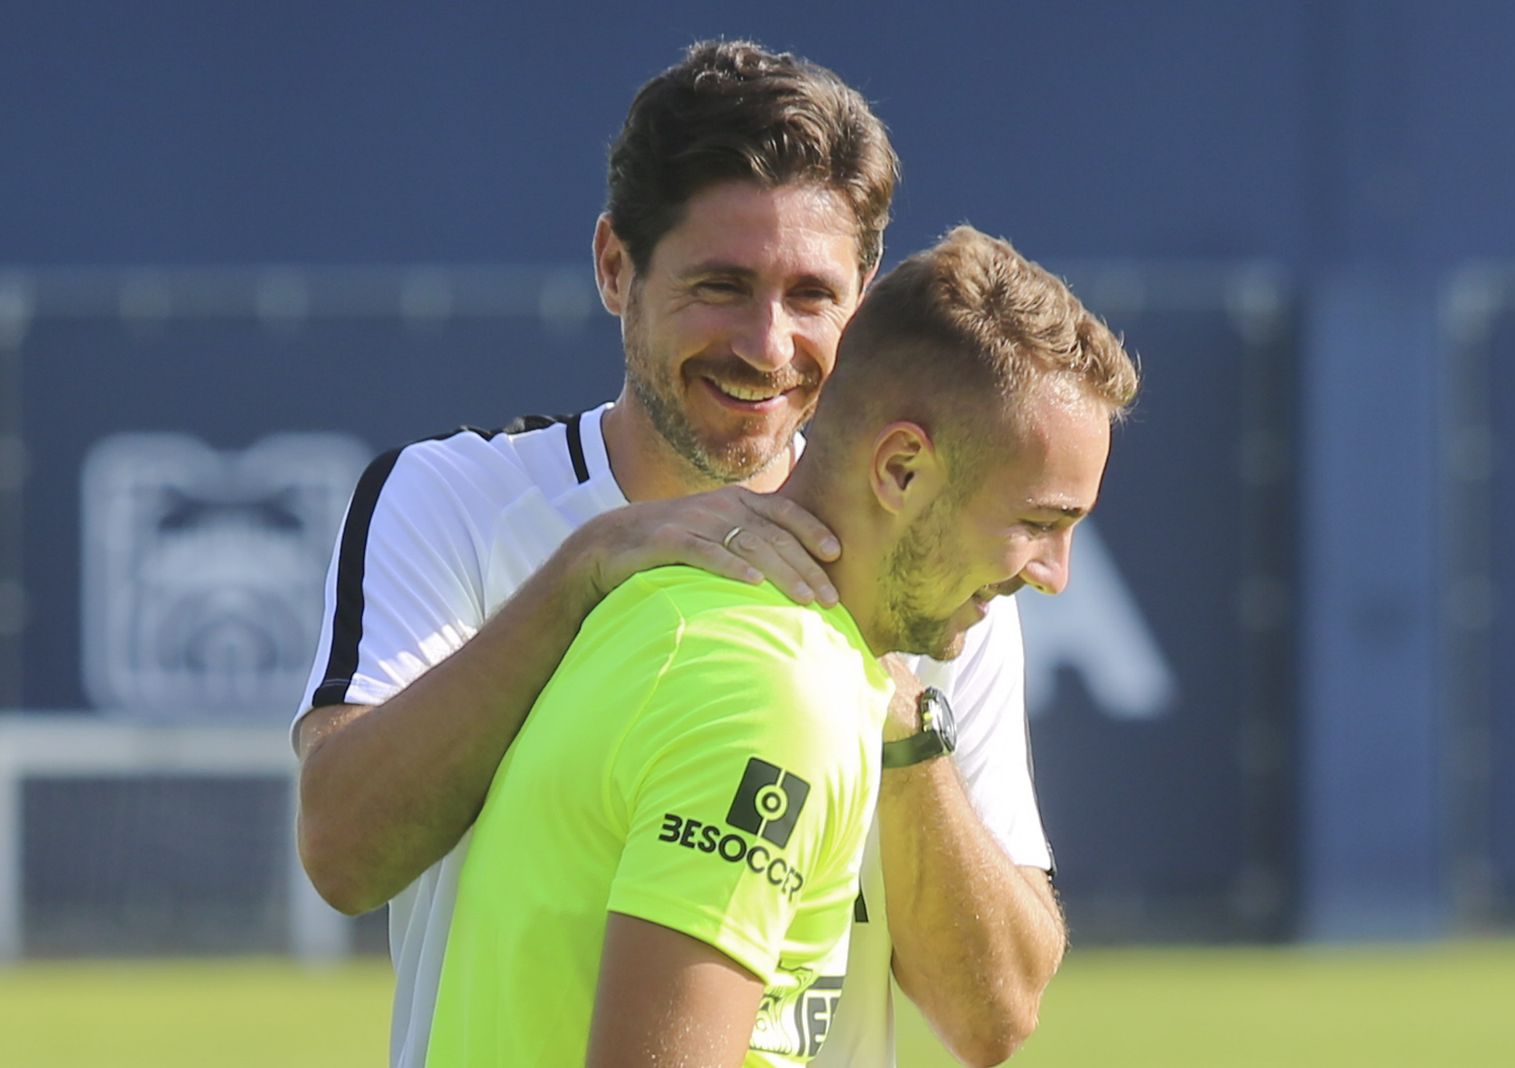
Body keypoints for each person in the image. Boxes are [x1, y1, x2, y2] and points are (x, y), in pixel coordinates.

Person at [293, 40, 1125, 1067]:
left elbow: (991, 1018)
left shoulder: (933, 584)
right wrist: (586, 571)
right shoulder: (456, 499)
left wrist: (900, 709)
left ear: (860, 302)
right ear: (615, 268)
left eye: (812, 296)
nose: (767, 345)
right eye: (722, 285)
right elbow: (342, 852)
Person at [423, 224, 1136, 1066]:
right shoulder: (779, 690)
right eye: (1038, 523)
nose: (1055, 574)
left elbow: (997, 1018)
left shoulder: (669, 606)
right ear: (901, 470)